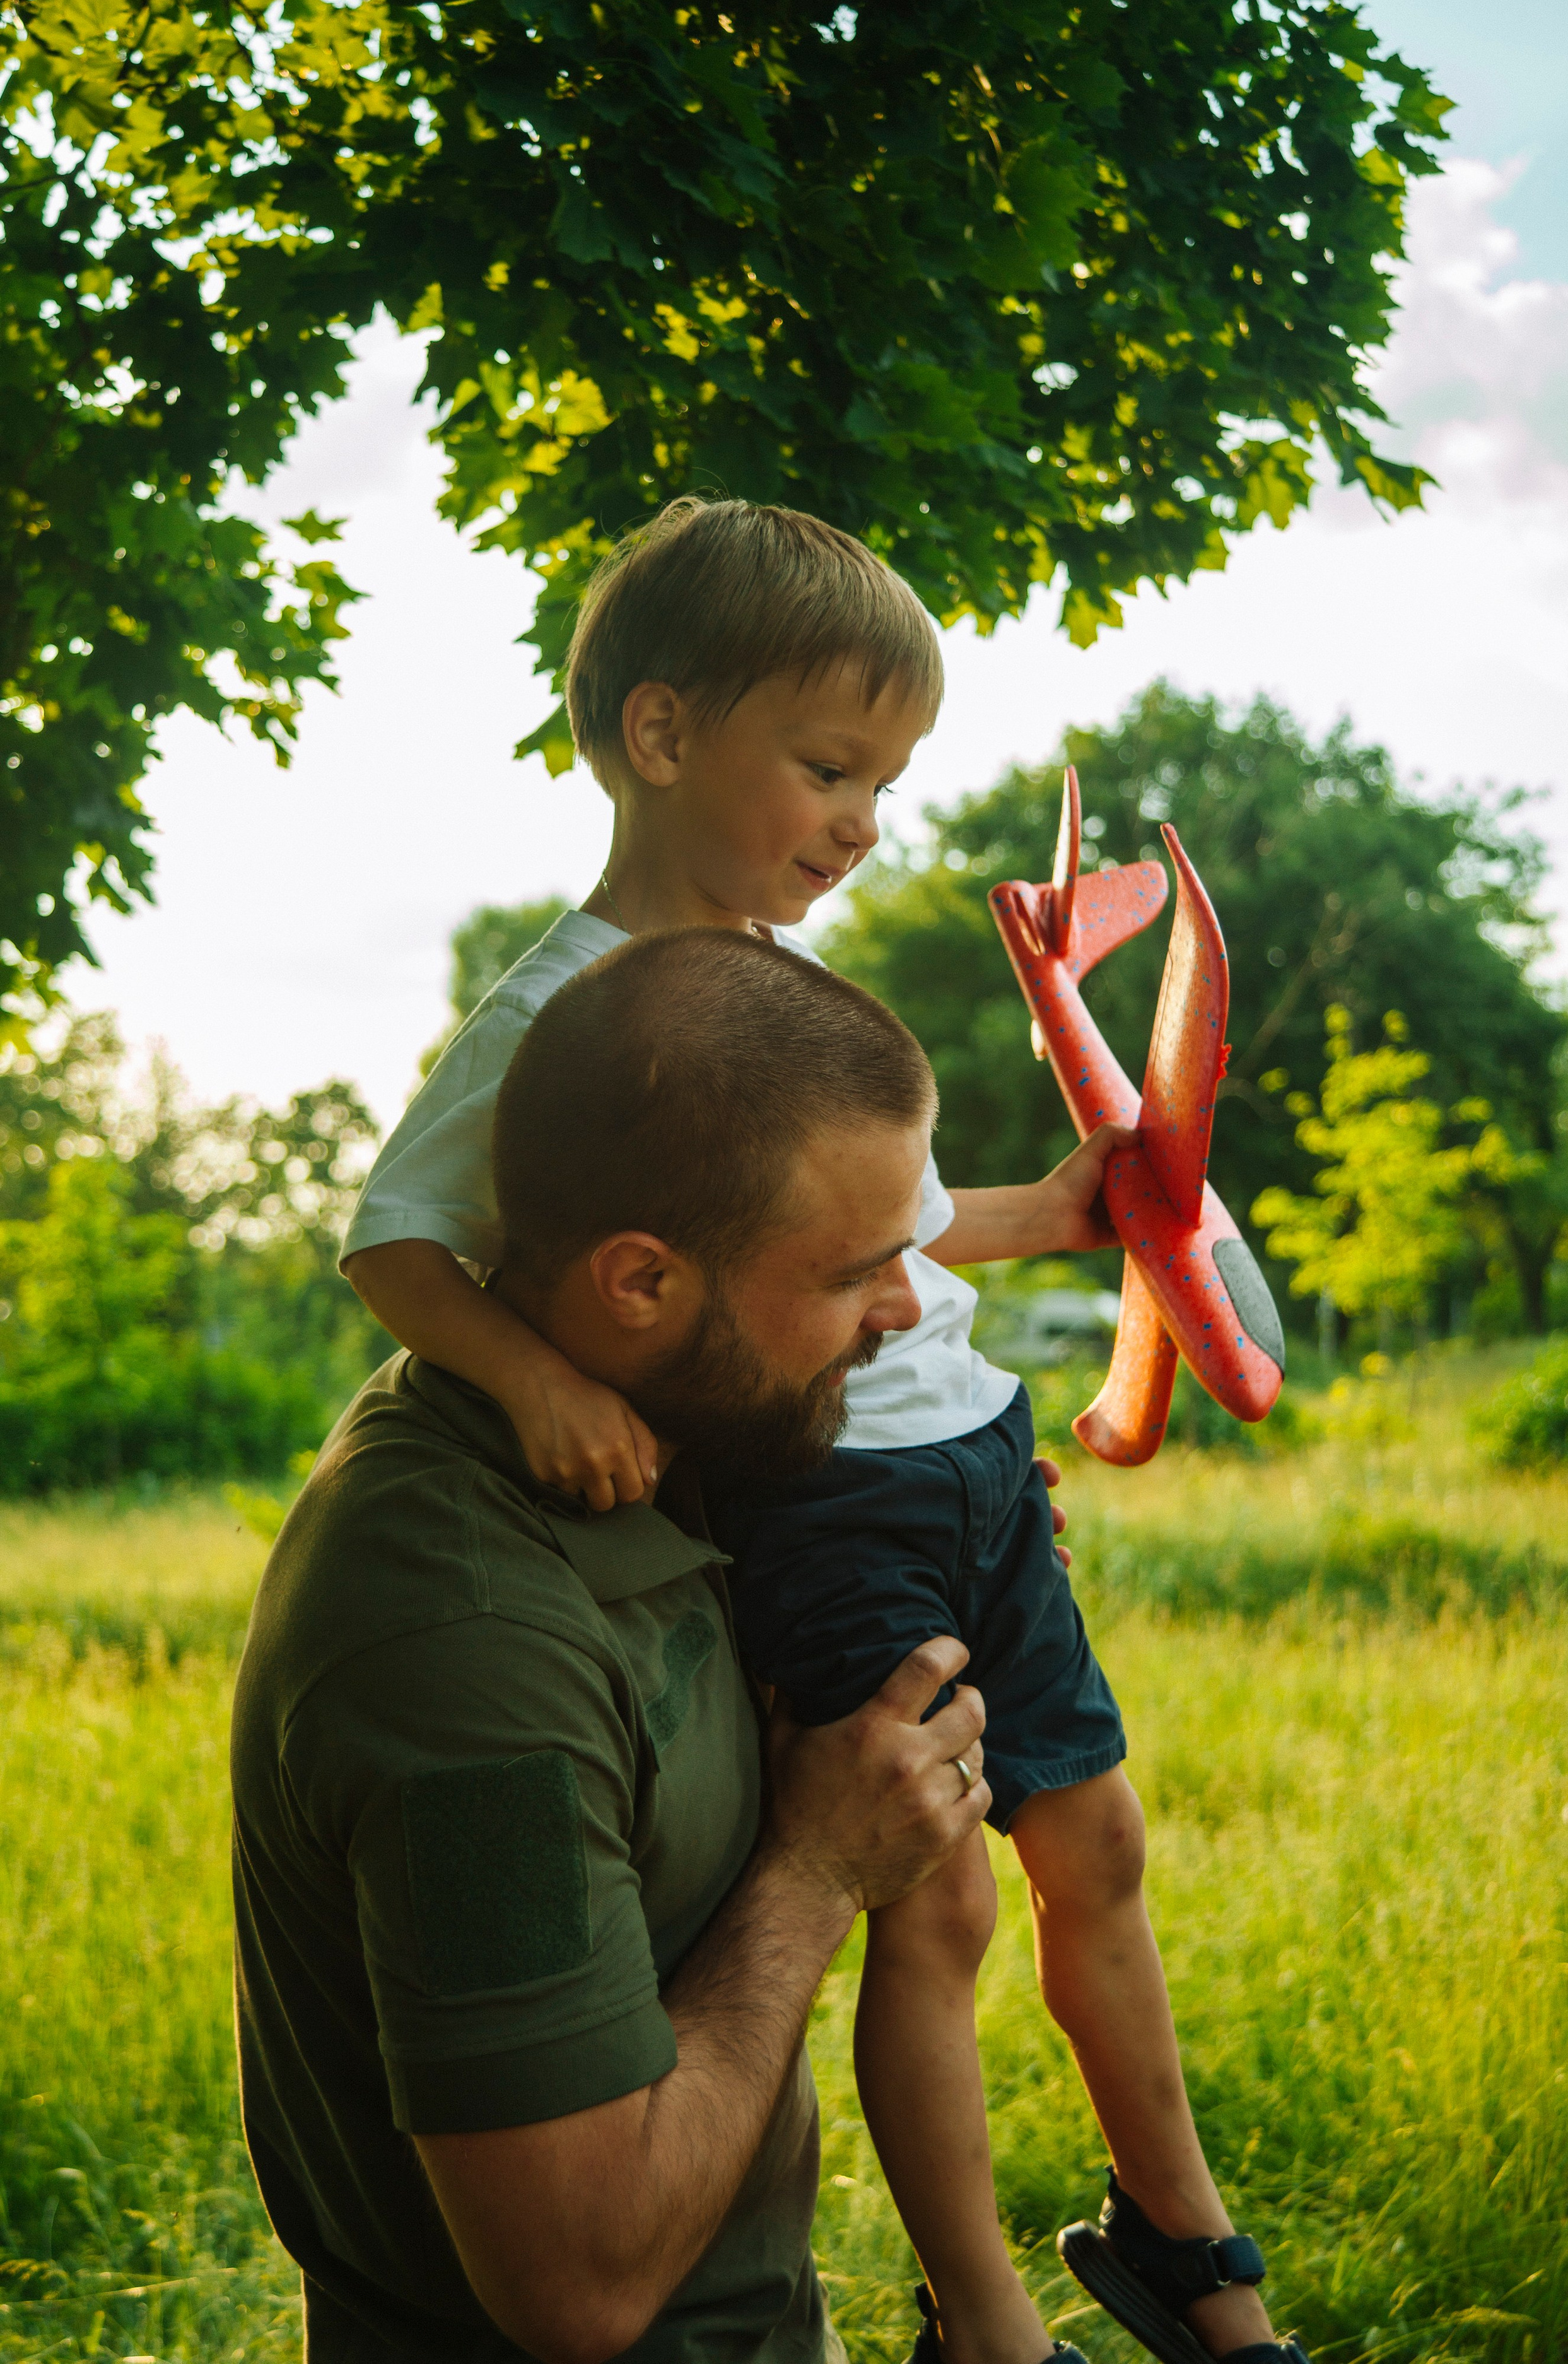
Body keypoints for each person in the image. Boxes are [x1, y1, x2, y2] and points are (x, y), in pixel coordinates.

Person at [341, 500, 1305, 2364]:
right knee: (936, 1901)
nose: (864, 820)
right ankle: (985, 2316)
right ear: (660, 733)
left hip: (973, 1461)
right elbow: (394, 1239)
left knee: (1095, 1845)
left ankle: (1184, 2245)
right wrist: (541, 1382)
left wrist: (1066, 1207)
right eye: (829, 766)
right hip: (830, 1500)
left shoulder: (785, 993)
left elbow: (895, 1240)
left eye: (887, 782)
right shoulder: (564, 1013)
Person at [231, 931, 1007, 2364]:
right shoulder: (461, 1644)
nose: (904, 1309)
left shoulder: (669, 1442)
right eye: (857, 1272)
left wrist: (946, 1528)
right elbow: (576, 2284)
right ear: (639, 1282)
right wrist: (820, 1870)